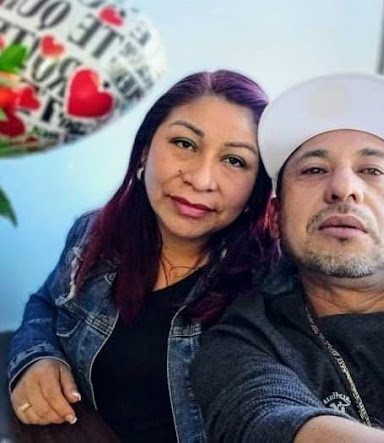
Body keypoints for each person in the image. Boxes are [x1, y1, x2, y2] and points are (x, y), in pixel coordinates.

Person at [191, 72, 384, 442]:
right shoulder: (246, 341)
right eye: (314, 170)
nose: (343, 188)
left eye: (372, 170)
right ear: (276, 219)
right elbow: (264, 422)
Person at [8, 69, 276, 442]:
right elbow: (46, 304)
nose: (201, 179)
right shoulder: (95, 233)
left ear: (256, 189)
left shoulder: (270, 286)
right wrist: (36, 359)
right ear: (145, 151)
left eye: (234, 161)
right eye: (184, 143)